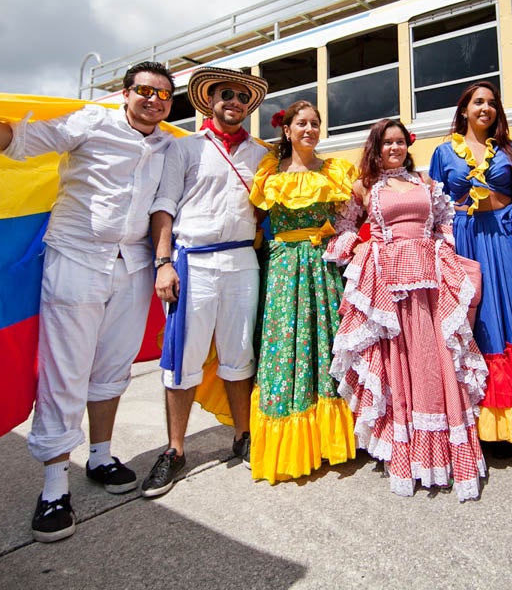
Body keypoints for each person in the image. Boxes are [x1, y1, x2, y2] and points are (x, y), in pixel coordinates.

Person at [0, 62, 177, 543]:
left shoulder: (168, 144)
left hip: (131, 267)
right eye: (145, 91)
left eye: (164, 95)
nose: (154, 100)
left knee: (112, 368)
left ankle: (100, 457)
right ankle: (53, 489)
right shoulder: (90, 121)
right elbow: (12, 138)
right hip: (76, 258)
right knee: (64, 371)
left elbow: (161, 208)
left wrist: (159, 261)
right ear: (125, 92)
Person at [325, 118, 488, 501]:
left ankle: (446, 456)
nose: (394, 149)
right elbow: (347, 225)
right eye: (387, 144)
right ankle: (405, 451)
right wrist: (344, 248)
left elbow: (444, 222)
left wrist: (443, 248)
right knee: (397, 361)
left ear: (407, 145)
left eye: (400, 142)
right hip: (387, 281)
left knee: (433, 357)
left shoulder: (426, 183)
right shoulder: (364, 187)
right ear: (376, 148)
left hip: (428, 279)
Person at [141, 66, 270, 498]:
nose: (233, 101)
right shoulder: (185, 149)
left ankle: (242, 436)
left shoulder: (262, 155)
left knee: (240, 354)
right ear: (209, 101)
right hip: (192, 261)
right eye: (225, 94)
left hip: (241, 261)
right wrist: (163, 263)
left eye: (240, 96)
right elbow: (163, 208)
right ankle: (175, 451)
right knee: (183, 358)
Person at [246, 100, 358, 483]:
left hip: (322, 263)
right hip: (282, 266)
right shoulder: (270, 172)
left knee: (323, 342)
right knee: (285, 344)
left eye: (314, 123)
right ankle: (289, 439)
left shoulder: (335, 171)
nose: (309, 129)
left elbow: (354, 212)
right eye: (302, 123)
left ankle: (329, 439)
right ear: (287, 129)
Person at [427, 81, 512, 446]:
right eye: (478, 102)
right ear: (464, 110)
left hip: (507, 237)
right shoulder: (445, 152)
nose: (485, 108)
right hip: (466, 240)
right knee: (476, 323)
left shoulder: (511, 149)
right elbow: (436, 207)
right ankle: (477, 421)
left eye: (491, 103)